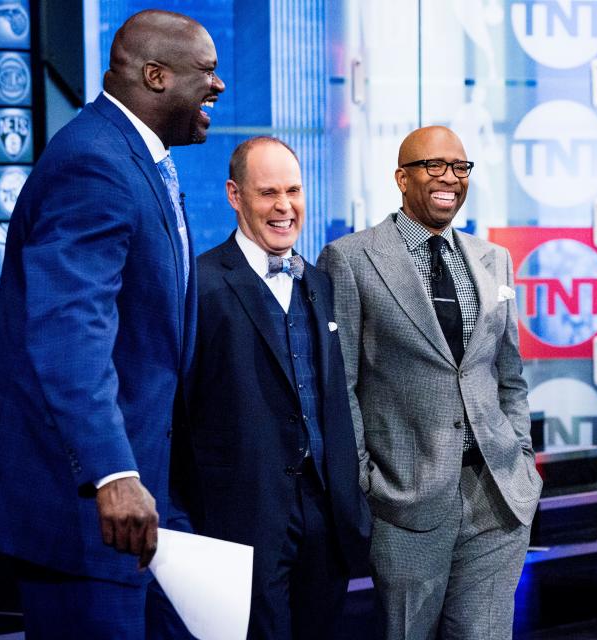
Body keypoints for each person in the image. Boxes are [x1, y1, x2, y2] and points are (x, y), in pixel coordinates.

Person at [0, 10, 225, 638]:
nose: (219, 86)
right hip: (92, 509)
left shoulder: (133, 154)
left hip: (147, 494)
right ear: (156, 76)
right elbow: (69, 332)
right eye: (206, 72)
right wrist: (113, 473)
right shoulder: (94, 162)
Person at [318, 125, 543, 640]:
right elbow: (343, 384)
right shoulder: (352, 259)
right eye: (434, 166)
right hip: (405, 497)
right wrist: (368, 482)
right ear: (401, 177)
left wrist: (523, 461)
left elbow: (508, 374)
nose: (450, 179)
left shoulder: (494, 259)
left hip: (496, 494)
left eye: (460, 168)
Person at [174, 137, 371, 639]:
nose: (285, 207)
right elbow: (180, 409)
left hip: (325, 515)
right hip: (242, 516)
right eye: (268, 193)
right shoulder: (201, 284)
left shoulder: (321, 283)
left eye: (294, 190)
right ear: (234, 196)